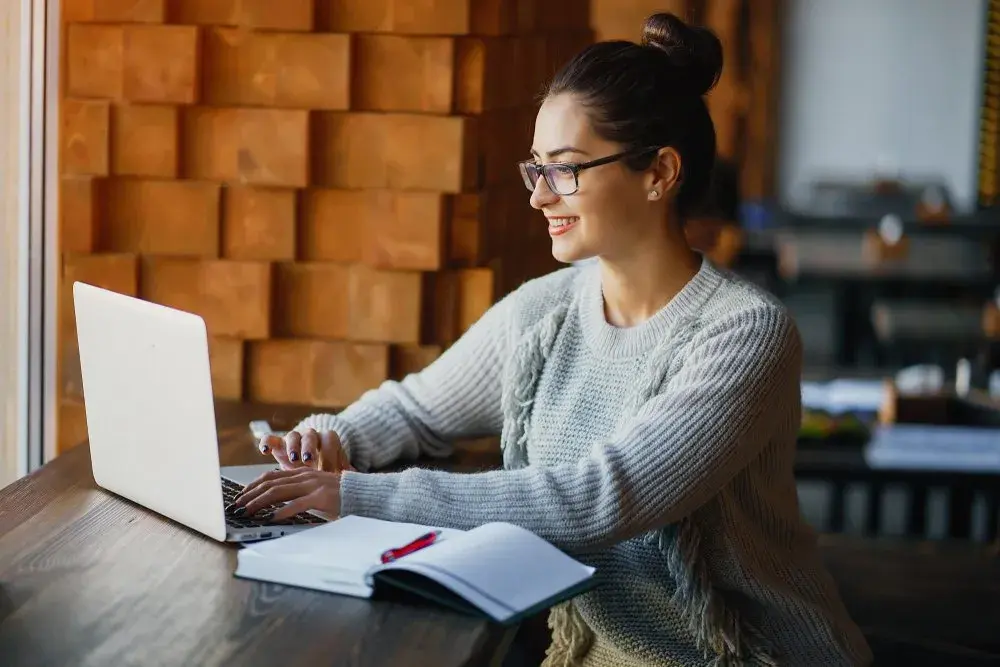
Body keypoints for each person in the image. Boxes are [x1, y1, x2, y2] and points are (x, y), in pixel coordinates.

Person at [231, 12, 874, 667]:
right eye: (535, 169)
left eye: (564, 170)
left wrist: (357, 495)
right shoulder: (546, 310)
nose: (539, 197)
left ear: (659, 172)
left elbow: (601, 498)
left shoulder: (745, 334)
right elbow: (416, 408)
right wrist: (328, 439)